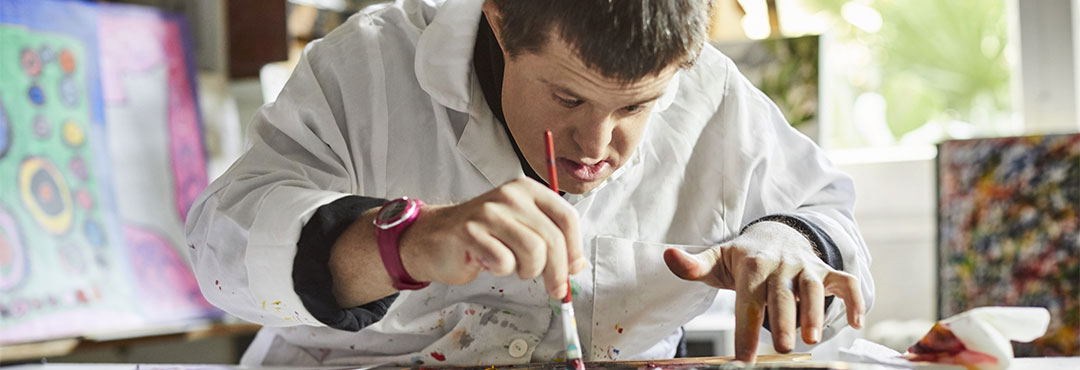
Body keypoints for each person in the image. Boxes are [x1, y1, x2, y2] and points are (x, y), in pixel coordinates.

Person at [185, 0, 874, 366]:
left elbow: (828, 226)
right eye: (569, 99)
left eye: (636, 107)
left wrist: (789, 247)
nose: (598, 149)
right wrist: (403, 243)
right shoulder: (369, 66)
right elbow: (219, 251)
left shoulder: (716, 98)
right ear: (499, 17)